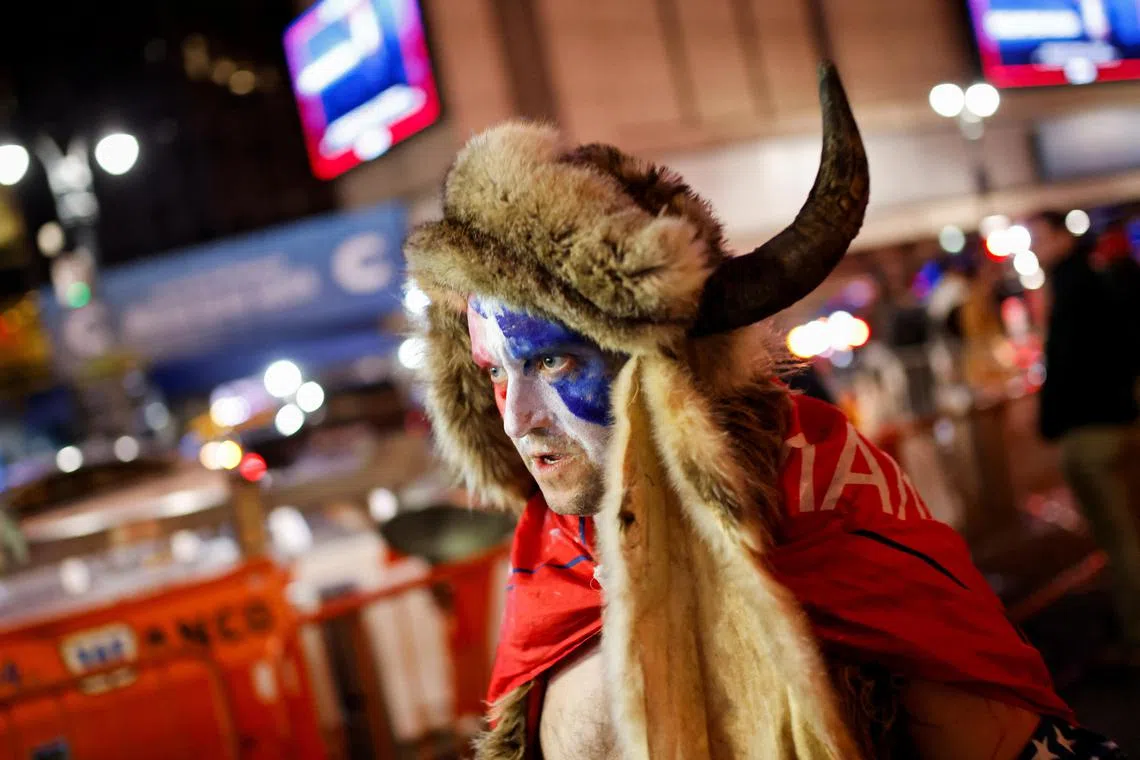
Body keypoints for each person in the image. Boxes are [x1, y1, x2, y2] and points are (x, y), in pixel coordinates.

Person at [405, 66, 1125, 759]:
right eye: (496, 374)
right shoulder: (547, 570)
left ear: (661, 366)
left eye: (555, 361)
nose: (517, 418)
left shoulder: (833, 526)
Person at [1028, 210, 1140, 661]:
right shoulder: (1098, 280)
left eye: (1037, 236)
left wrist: (1049, 421)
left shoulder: (1071, 290)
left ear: (1059, 237)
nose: (1033, 247)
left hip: (1089, 432)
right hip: (1122, 421)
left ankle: (1136, 636)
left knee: (1120, 540)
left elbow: (1066, 366)